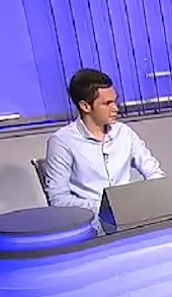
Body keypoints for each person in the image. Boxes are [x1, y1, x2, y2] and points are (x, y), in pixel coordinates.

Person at [43, 68, 165, 211]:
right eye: (107, 103)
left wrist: (154, 196)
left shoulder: (124, 132)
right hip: (91, 218)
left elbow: (154, 173)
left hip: (131, 213)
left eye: (115, 101)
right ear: (85, 106)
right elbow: (58, 199)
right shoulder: (62, 141)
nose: (115, 108)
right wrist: (107, 208)